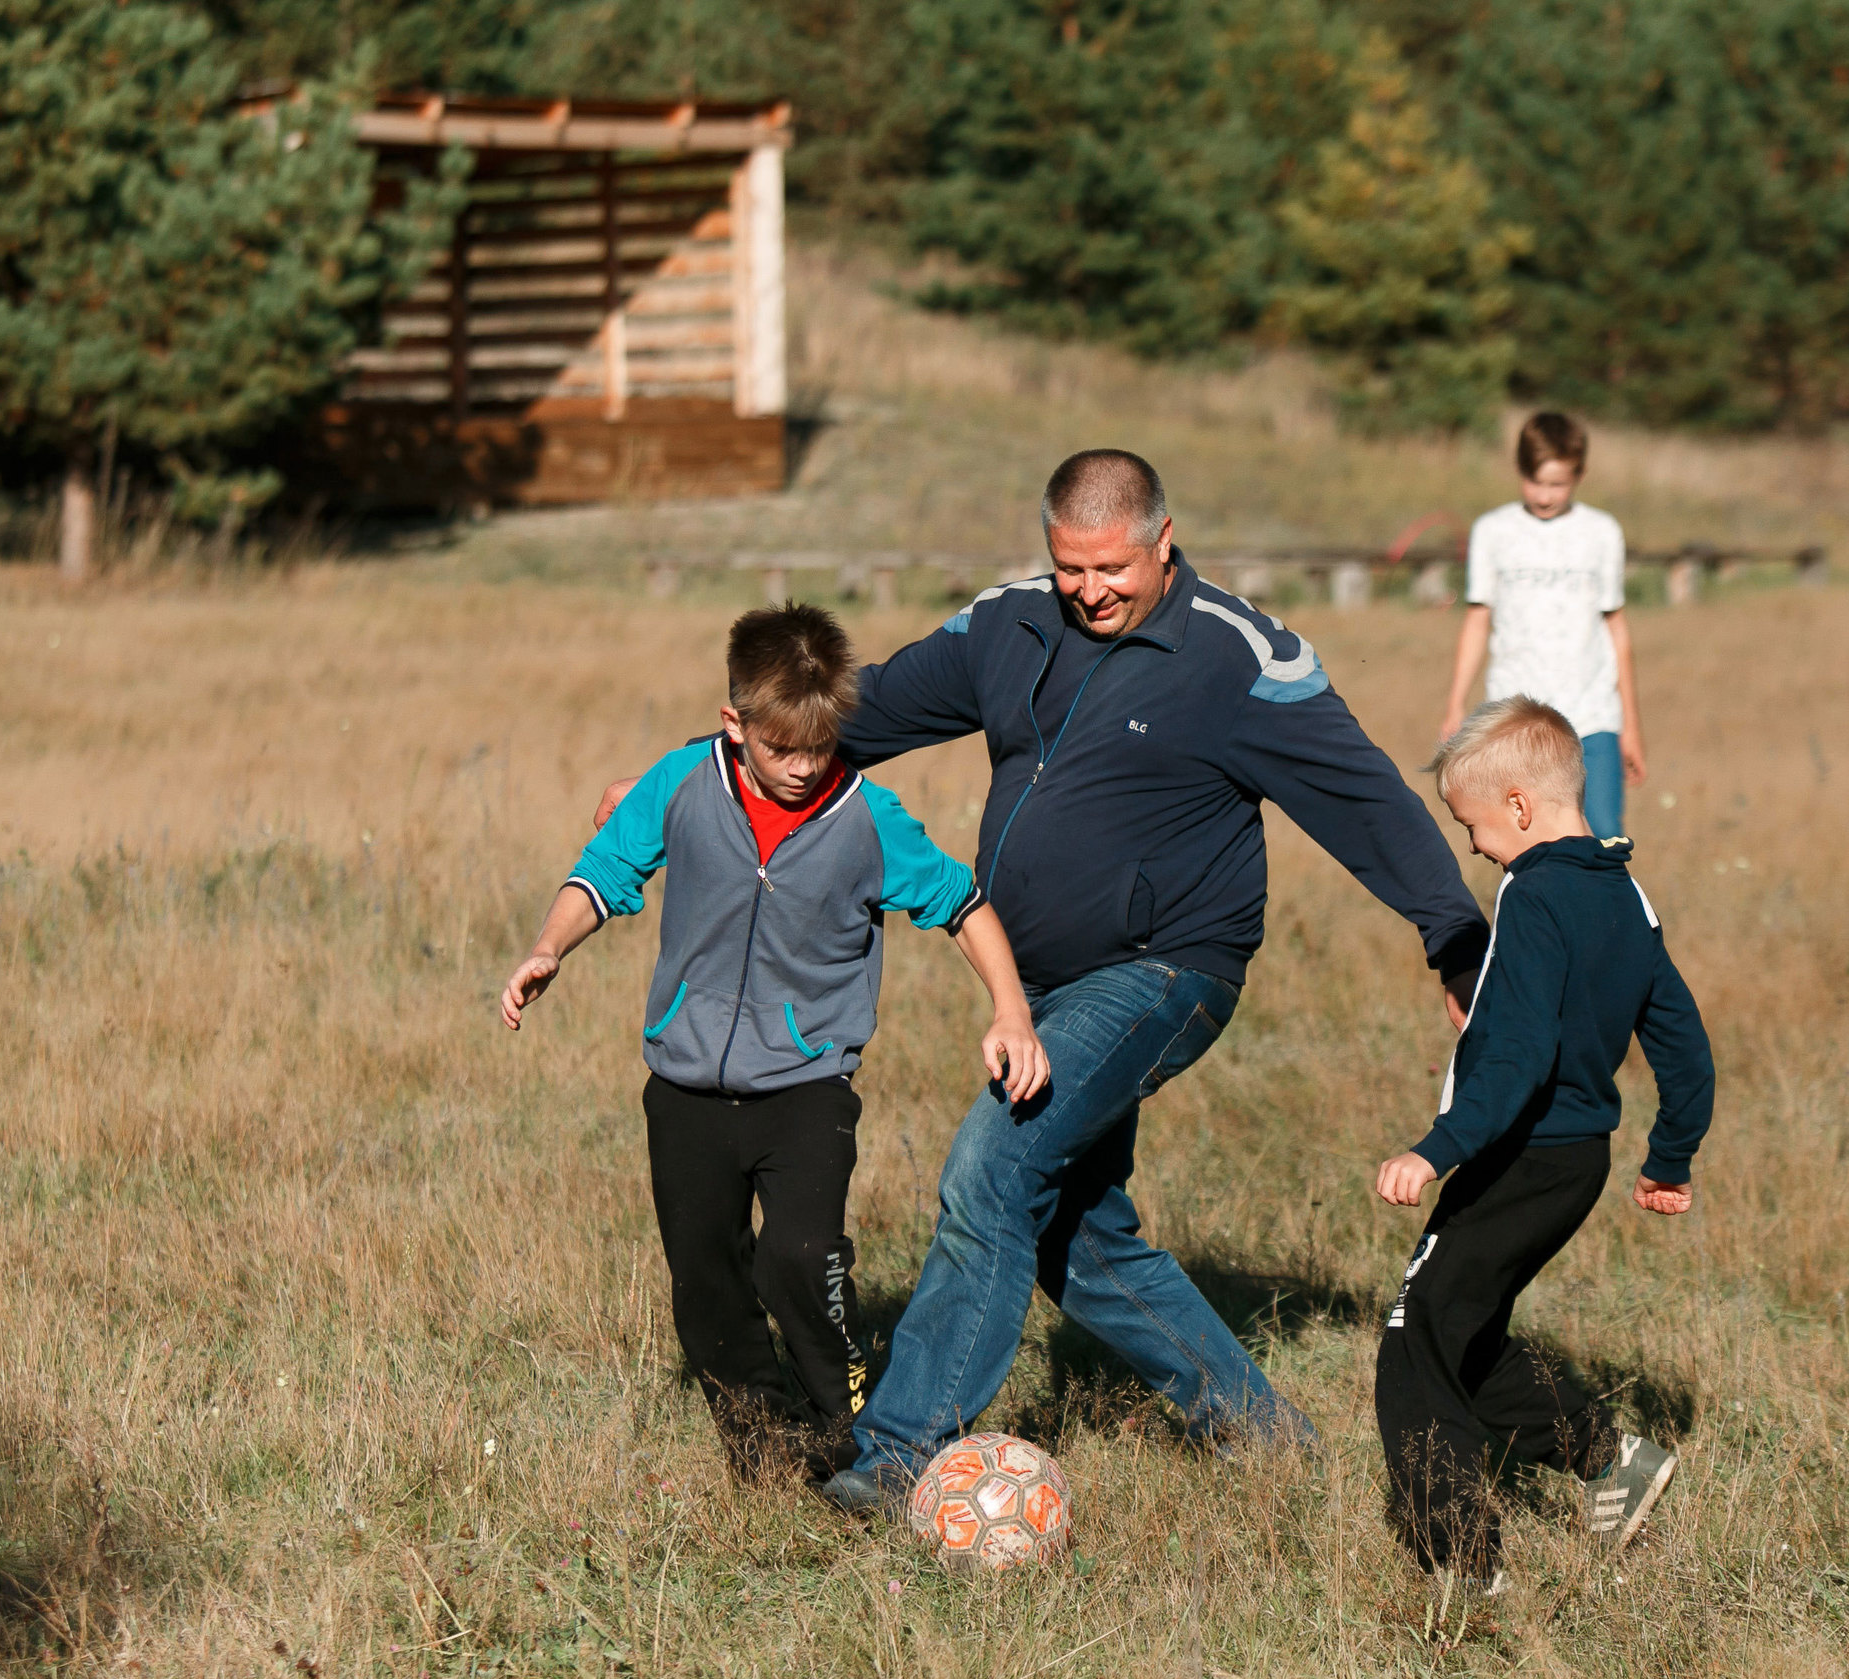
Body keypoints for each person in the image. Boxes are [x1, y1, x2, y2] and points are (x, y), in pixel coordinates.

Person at [787, 448, 1494, 1513]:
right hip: (1035, 985)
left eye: (1111, 568)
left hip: (1165, 970)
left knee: (993, 1168)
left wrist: (1454, 935)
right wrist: (701, 774)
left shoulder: (1238, 658)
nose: (1090, 591)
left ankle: (897, 1454)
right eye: (1069, 568)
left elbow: (1366, 799)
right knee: (1074, 1231)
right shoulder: (1010, 623)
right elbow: (857, 715)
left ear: (1164, 541)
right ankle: (1262, 1437)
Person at [503, 603, 1049, 1482]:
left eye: (819, 747)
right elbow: (604, 868)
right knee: (705, 1283)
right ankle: (766, 1455)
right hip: (684, 1085)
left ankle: (852, 1428)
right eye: (781, 748)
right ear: (735, 723)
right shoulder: (682, 783)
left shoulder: (868, 818)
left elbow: (963, 904)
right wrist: (547, 946)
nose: (801, 767)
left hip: (805, 1085)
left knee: (801, 1259)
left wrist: (1011, 1010)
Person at [1371, 695, 1714, 1588]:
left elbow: (1519, 1054)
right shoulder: (1624, 892)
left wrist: (1437, 1148)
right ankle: (1609, 1460)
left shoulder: (1532, 893)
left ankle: (1462, 1565)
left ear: (1519, 806)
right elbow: (1683, 1043)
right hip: (1578, 1160)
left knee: (1415, 1341)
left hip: (1517, 1153)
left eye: (1474, 827)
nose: (1477, 848)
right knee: (1465, 1328)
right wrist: (1669, 1155)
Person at [1437, 411, 1646, 839]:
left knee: (1604, 838)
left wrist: (1630, 727)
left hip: (1592, 717)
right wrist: (1456, 705)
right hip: (1517, 718)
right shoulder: (1493, 531)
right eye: (1535, 482)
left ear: (1579, 475)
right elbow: (1477, 621)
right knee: (1525, 838)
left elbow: (1616, 630)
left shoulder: (1602, 532)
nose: (1545, 495)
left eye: (1558, 484)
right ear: (1520, 470)